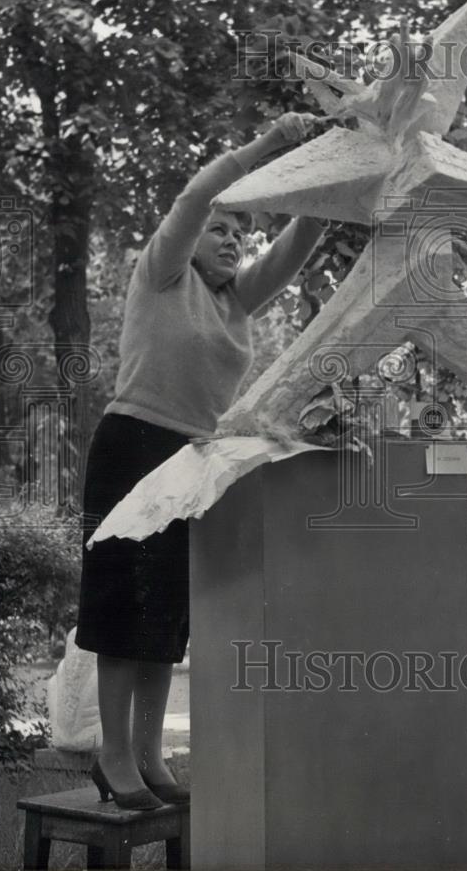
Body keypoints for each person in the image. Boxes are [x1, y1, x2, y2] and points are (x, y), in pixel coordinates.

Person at [75, 112, 326, 809]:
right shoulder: (162, 273)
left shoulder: (237, 302)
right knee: (120, 607)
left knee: (164, 618)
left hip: (193, 461)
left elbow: (301, 237)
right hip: (132, 445)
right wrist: (272, 144)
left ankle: (151, 755)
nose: (232, 241)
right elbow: (194, 199)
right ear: (192, 239)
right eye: (222, 230)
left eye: (239, 235)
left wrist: (333, 170)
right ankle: (114, 754)